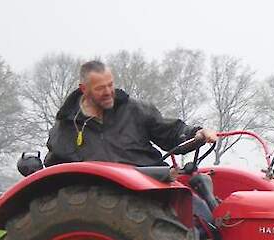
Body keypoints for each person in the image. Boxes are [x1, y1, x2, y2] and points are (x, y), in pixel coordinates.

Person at [44, 60, 217, 168]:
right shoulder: (66, 128)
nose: (108, 92)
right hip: (98, 199)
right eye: (100, 88)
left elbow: (171, 133)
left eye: (110, 85)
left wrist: (197, 134)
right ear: (84, 89)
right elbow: (56, 170)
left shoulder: (135, 110)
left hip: (148, 185)